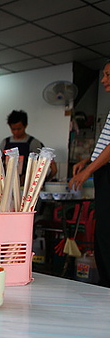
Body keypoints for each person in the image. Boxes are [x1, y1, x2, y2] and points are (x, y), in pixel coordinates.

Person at [69, 59, 110, 288]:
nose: (103, 79)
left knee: (106, 231)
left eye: (107, 75)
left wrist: (88, 172)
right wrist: (88, 160)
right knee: (102, 230)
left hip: (106, 173)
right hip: (103, 173)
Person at [0, 110, 57, 184]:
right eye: (13, 129)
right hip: (8, 182)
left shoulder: (33, 143)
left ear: (25, 126)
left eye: (19, 129)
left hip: (27, 184)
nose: (16, 132)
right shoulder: (5, 142)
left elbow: (45, 167)